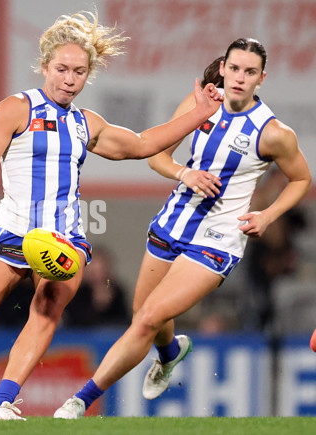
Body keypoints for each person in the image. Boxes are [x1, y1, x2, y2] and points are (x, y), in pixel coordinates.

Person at [0, 11, 222, 420]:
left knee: (48, 306)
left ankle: (1, 402)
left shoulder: (85, 123)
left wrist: (199, 114)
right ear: (43, 67)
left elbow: (142, 144)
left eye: (79, 72)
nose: (69, 79)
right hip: (12, 230)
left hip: (63, 238)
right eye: (61, 69)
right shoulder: (16, 108)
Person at [54, 37, 311, 419]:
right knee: (145, 313)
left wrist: (268, 215)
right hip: (172, 223)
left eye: (250, 72)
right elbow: (156, 155)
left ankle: (79, 401)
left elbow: (301, 180)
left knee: (148, 317)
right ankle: (171, 352)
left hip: (218, 240)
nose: (240, 78)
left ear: (262, 78)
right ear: (223, 68)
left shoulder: (273, 133)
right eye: (235, 68)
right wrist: (184, 172)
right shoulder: (200, 104)